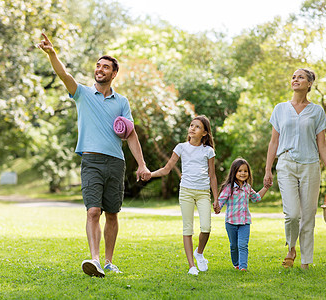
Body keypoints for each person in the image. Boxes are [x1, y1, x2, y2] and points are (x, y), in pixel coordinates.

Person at [37, 33, 151, 277]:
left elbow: (131, 134)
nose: (100, 69)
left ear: (113, 74)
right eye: (98, 66)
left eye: (105, 67)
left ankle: (109, 261)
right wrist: (52, 54)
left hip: (116, 162)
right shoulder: (83, 94)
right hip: (91, 161)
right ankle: (95, 260)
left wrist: (141, 164)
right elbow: (64, 75)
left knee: (112, 213)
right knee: (93, 211)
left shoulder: (122, 101)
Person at [263, 68, 326, 270]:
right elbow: (273, 142)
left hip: (310, 166)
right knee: (292, 214)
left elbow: (322, 145)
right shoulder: (280, 109)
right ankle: (291, 247)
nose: (295, 79)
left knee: (308, 216)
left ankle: (305, 262)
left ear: (309, 84)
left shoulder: (317, 111)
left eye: (301, 77)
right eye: (294, 77)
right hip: (286, 164)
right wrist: (267, 169)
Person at [147, 115, 218, 275]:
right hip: (186, 191)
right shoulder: (181, 147)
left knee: (206, 227)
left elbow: (212, 176)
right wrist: (150, 174)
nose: (192, 128)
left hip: (203, 193)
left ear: (205, 133)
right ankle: (191, 266)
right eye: (191, 125)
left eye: (197, 127)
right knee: (188, 228)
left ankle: (199, 253)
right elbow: (166, 169)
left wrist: (216, 199)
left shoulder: (208, 151)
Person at [214, 158, 270, 271]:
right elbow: (221, 200)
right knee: (234, 246)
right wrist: (217, 207)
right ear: (234, 172)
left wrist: (266, 187)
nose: (243, 173)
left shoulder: (247, 188)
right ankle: (236, 264)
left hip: (245, 222)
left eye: (245, 171)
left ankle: (243, 267)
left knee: (243, 245)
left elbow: (257, 198)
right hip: (231, 222)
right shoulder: (228, 188)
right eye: (240, 171)